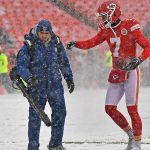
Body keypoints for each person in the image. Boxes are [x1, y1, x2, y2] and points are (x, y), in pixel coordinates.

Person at [66, 1, 150, 150]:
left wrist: (139, 60)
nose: (102, 19)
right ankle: (131, 136)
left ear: (113, 13)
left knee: (132, 109)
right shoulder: (106, 30)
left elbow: (147, 46)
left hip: (131, 72)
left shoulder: (130, 26)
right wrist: (77, 43)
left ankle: (137, 144)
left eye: (104, 16)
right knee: (110, 108)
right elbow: (91, 42)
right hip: (117, 72)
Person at [16, 19, 75, 150]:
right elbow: (21, 65)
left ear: (50, 32)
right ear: (37, 32)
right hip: (37, 87)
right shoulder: (29, 45)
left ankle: (55, 144)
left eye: (47, 33)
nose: (44, 35)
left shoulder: (57, 43)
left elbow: (63, 62)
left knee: (60, 113)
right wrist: (29, 78)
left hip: (55, 85)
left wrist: (69, 78)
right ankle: (33, 147)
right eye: (42, 33)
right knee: (35, 119)